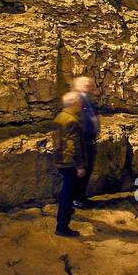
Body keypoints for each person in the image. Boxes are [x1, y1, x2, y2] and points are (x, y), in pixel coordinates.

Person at [52, 91, 88, 238]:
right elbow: (73, 146)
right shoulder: (72, 120)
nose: (80, 104)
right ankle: (62, 226)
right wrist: (79, 165)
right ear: (73, 104)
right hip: (69, 162)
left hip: (61, 159)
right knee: (68, 194)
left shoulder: (60, 116)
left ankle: (64, 215)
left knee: (66, 192)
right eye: (79, 102)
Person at [70, 76, 99, 208]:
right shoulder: (76, 100)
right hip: (82, 142)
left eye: (90, 84)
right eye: (85, 84)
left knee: (87, 170)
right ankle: (75, 198)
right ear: (78, 85)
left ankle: (81, 196)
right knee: (80, 171)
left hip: (90, 141)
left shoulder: (88, 100)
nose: (89, 85)